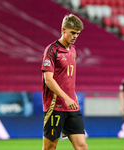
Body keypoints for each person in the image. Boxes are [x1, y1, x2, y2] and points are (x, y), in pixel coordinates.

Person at [41, 14, 88, 150]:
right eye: (72, 33)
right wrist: (66, 98)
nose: (75, 36)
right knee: (50, 147)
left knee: (82, 146)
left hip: (72, 106)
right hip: (55, 106)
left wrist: (70, 98)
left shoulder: (73, 50)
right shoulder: (51, 50)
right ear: (63, 30)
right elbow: (48, 80)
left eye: (77, 34)